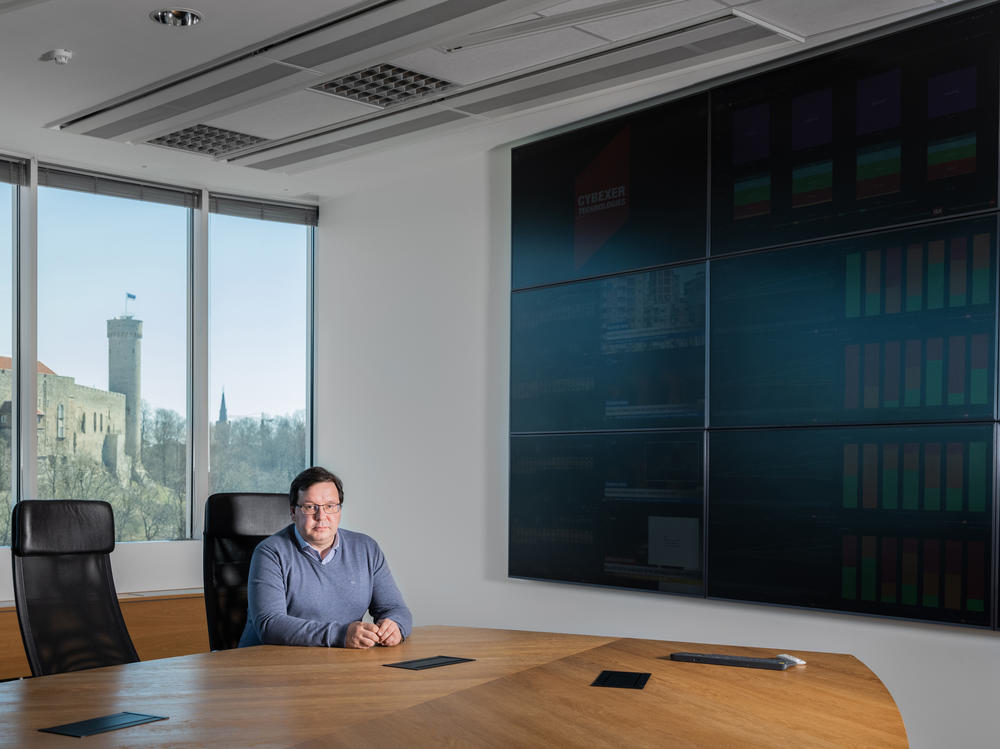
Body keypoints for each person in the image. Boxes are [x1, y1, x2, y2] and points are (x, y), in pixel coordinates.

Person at [238, 466, 412, 648]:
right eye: (310, 507)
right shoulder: (270, 553)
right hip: (272, 666)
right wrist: (341, 635)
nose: (321, 516)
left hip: (338, 663)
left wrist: (395, 626)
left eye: (330, 506)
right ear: (293, 512)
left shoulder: (366, 548)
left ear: (339, 510)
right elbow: (269, 624)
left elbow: (395, 609)